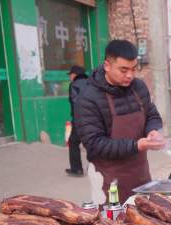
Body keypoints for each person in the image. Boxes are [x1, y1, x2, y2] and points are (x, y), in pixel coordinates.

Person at [74, 40, 165, 202]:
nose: (130, 75)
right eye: (123, 70)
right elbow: (95, 145)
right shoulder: (88, 98)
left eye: (133, 69)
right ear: (107, 66)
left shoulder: (139, 87)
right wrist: (136, 145)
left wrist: (153, 130)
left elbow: (151, 114)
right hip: (108, 178)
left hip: (140, 174)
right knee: (113, 223)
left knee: (146, 221)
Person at [66, 65, 88, 177]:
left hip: (80, 119)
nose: (70, 77)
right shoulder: (91, 83)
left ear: (74, 74)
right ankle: (97, 167)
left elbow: (76, 102)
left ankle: (77, 169)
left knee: (73, 142)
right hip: (94, 118)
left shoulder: (74, 85)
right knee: (92, 142)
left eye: (70, 75)